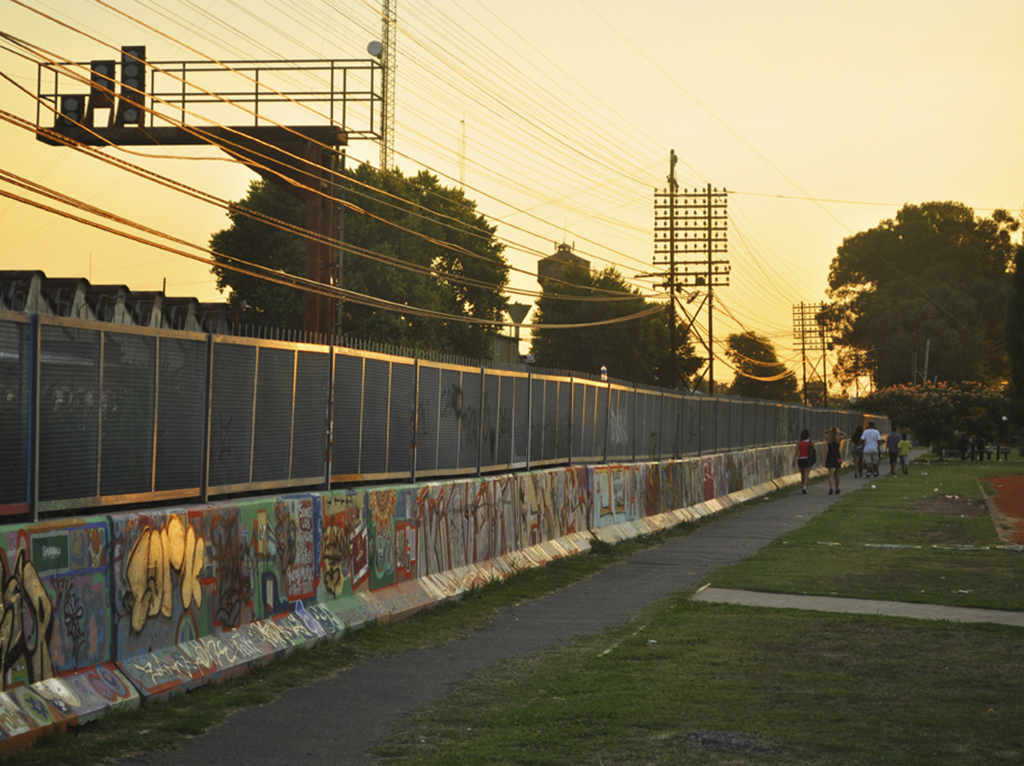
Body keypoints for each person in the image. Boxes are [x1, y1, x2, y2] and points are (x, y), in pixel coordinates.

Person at [823, 425, 847, 495]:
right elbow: (845, 435)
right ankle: (837, 488)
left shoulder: (828, 438)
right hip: (838, 457)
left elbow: (824, 433)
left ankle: (831, 488)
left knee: (830, 474)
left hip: (829, 457)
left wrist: (829, 431)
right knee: (837, 474)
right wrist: (839, 432)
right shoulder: (838, 439)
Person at [793, 428, 813, 494]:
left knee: (802, 474)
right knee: (806, 474)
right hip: (807, 459)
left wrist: (794, 460)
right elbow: (813, 452)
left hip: (800, 459)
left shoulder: (799, 442)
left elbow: (796, 452)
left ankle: (803, 485)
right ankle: (804, 486)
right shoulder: (811, 442)